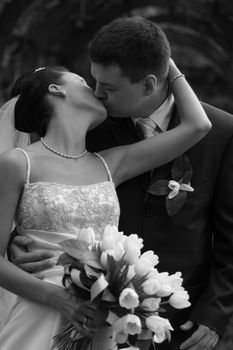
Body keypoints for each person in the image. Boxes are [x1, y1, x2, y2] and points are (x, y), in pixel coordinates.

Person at [10, 17, 233, 350]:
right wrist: (17, 241)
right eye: (92, 81)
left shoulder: (222, 132)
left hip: (178, 320)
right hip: (83, 311)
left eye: (108, 87)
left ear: (148, 83)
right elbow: (37, 197)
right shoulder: (89, 129)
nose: (97, 94)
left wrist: (214, 313)